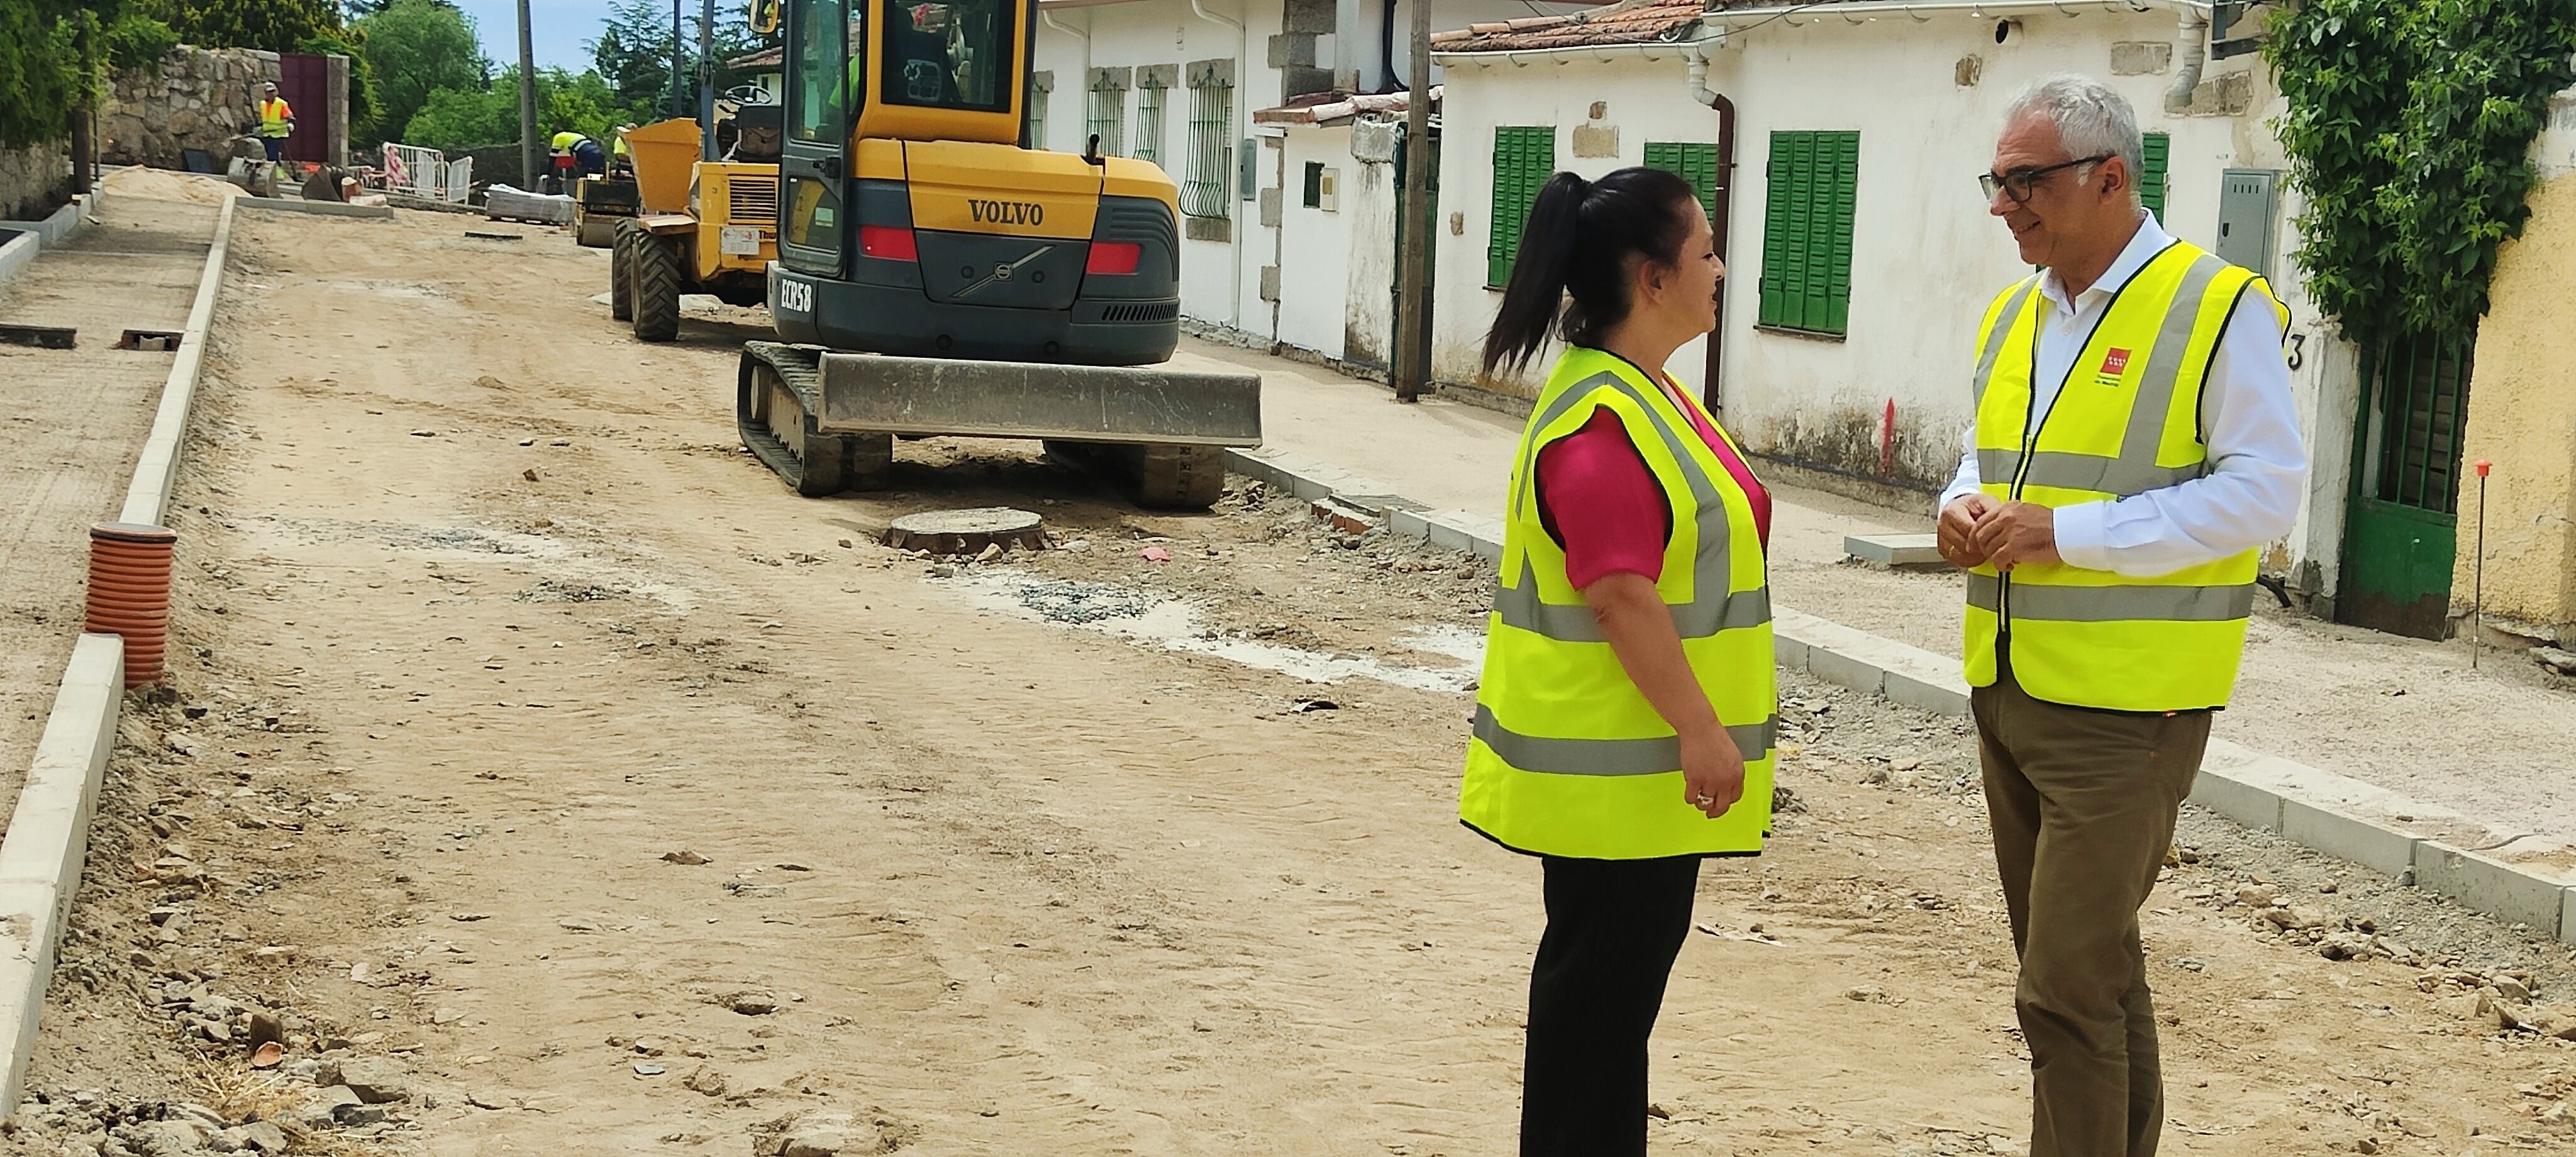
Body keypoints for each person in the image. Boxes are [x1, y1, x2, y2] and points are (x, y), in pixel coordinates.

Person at [1938, 74, 2304, 1157]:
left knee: (2061, 991)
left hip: (2127, 713)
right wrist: (1957, 506)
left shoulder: (2215, 305)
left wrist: (2068, 534)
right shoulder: (2017, 309)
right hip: (2008, 686)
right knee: (2092, 978)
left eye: (2024, 182)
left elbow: (2263, 494)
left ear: (2108, 179)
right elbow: (1987, 455)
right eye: (1995, 183)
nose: (2003, 206)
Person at [1460, 166, 1777, 1157]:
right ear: (1651, 278)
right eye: (1709, 251)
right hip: (1621, 787)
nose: (1724, 269)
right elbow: (1619, 593)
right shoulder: (1603, 421)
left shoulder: (1643, 393)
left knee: (1603, 1031)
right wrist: (1701, 730)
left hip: (1635, 790)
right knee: (1593, 1035)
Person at [256, 81, 295, 164]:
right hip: (267, 134)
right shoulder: (263, 104)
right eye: (269, 92)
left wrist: (290, 124)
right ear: (265, 93)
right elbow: (263, 119)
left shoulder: (281, 103)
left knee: (273, 156)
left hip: (279, 134)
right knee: (270, 156)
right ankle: (276, 173)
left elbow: (290, 116)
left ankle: (277, 173)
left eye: (273, 91)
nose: (271, 94)